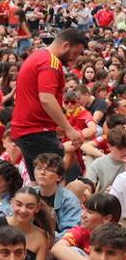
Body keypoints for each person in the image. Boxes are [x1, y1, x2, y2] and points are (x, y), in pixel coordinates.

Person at [11, 28, 87, 177]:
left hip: (27, 130)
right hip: (36, 131)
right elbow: (46, 98)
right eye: (75, 53)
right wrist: (68, 129)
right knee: (52, 182)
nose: (74, 59)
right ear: (65, 46)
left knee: (39, 182)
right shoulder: (50, 62)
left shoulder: (38, 55)